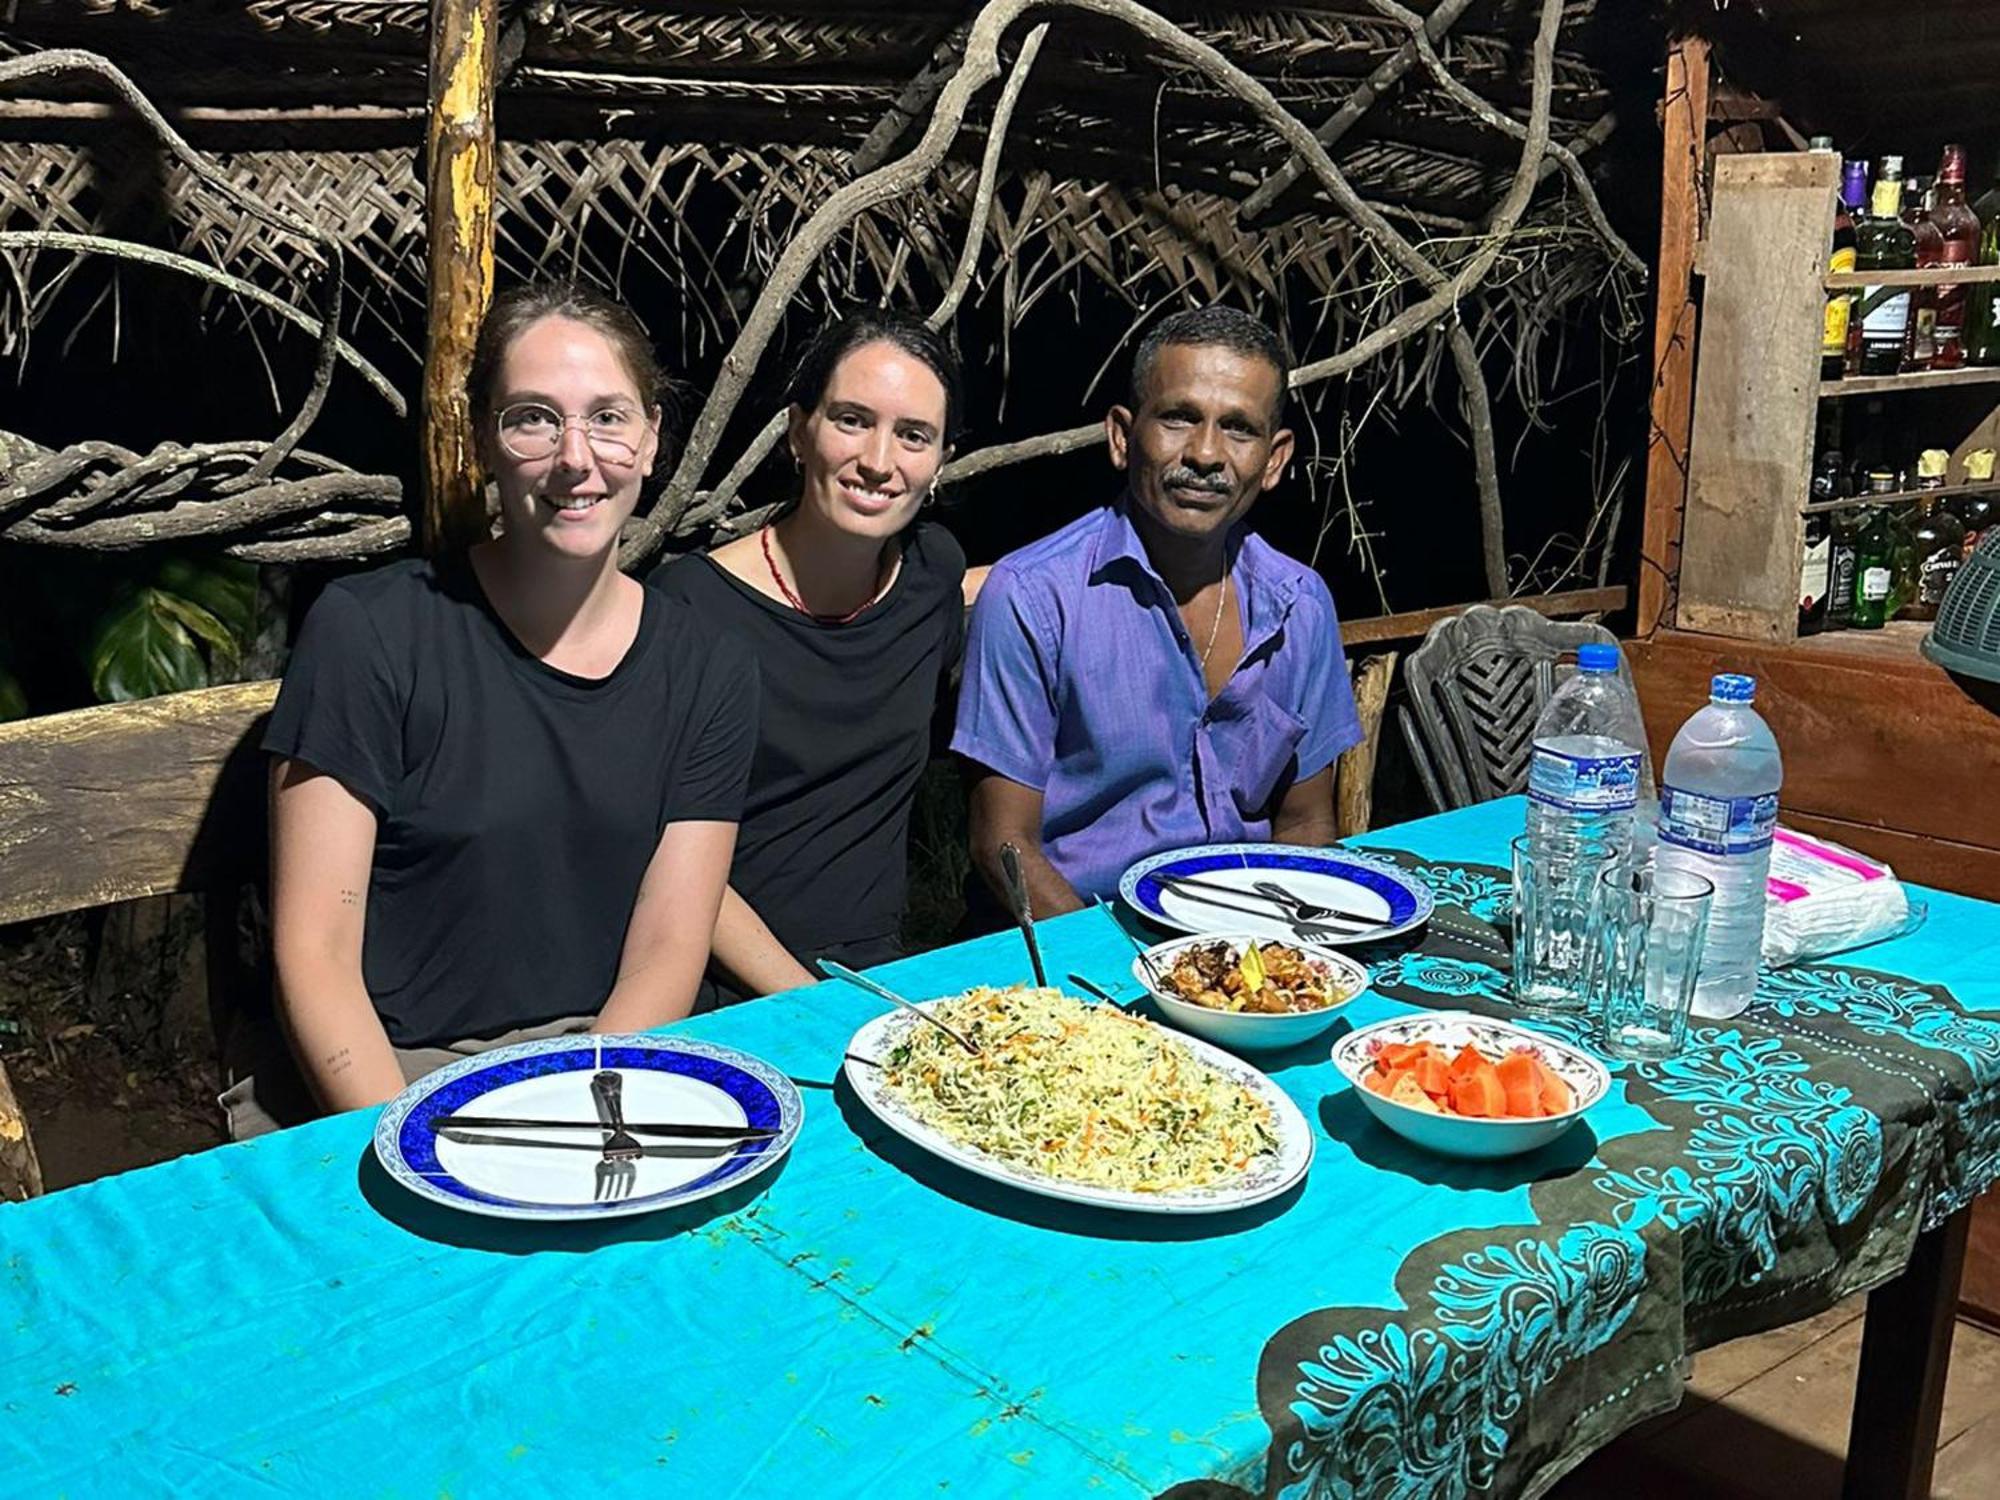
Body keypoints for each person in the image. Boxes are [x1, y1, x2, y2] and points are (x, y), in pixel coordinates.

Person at [225, 280, 757, 1137]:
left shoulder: (709, 665)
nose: (576, 457)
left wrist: (591, 1117)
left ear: (653, 439)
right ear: (483, 441)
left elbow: (668, 947)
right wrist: (411, 1147)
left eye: (609, 417)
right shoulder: (374, 633)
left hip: (600, 1061)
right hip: (388, 1074)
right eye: (534, 418)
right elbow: (317, 956)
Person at [952, 305, 1360, 920]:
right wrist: (1124, 979)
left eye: (1239, 429)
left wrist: (1281, 962)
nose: (1205, 453)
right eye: (1178, 418)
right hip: (1075, 947)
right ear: (1122, 436)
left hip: (1245, 946)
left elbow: (1305, 824)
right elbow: (1004, 846)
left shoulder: (1299, 604)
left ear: (1273, 460)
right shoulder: (1035, 596)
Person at [651, 310, 966, 1006]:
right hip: (717, 985)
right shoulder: (691, 611)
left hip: (885, 974)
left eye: (913, 435)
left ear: (939, 462)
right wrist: (811, 1002)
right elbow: (659, 852)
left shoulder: (932, 574)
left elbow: (1010, 582)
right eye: (852, 420)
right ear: (800, 432)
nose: (880, 462)